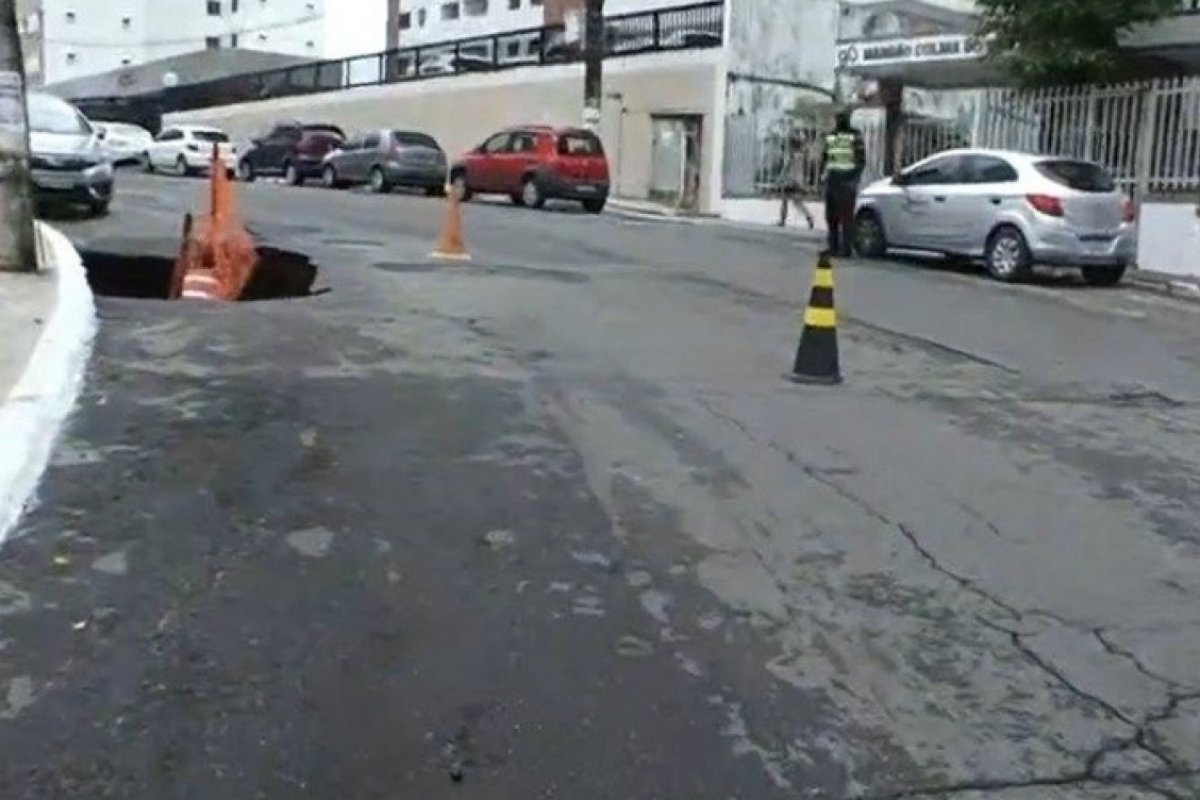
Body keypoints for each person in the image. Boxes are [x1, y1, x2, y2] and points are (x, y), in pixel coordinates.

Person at [819, 109, 866, 257]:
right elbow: (825, 156)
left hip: (847, 180)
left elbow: (861, 159)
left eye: (842, 118)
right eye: (839, 118)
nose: (840, 121)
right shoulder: (831, 136)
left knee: (846, 217)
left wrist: (853, 178)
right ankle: (833, 247)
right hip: (832, 178)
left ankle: (846, 249)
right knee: (831, 216)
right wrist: (822, 175)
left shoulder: (855, 135)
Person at [777, 131, 814, 229]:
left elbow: (786, 166)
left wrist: (780, 178)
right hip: (798, 180)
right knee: (797, 201)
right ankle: (809, 217)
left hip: (789, 180)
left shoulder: (792, 154)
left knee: (785, 200)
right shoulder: (801, 155)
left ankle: (782, 219)